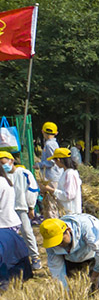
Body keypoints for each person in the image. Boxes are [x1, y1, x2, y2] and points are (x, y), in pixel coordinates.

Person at [40, 215, 99, 290]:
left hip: (94, 251)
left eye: (60, 241)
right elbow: (57, 271)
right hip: (72, 255)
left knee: (97, 283)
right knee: (74, 281)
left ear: (68, 230)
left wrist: (95, 275)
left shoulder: (87, 229)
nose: (58, 245)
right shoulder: (50, 243)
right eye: (54, 243)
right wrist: (65, 293)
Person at [0, 159, 32, 290]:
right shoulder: (5, 180)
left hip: (3, 224)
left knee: (5, 258)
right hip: (10, 222)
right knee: (11, 256)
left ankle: (5, 283)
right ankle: (14, 283)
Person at [5, 153, 39, 269]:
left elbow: (32, 189)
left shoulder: (23, 173)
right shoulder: (3, 176)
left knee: (27, 233)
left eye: (4, 163)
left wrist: (31, 207)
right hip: (8, 209)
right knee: (10, 236)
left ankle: (35, 257)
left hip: (21, 208)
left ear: (11, 160)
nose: (3, 166)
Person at [37, 122, 63, 218]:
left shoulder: (49, 145)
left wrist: (39, 165)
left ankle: (53, 221)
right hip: (54, 176)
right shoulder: (52, 143)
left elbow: (52, 162)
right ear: (56, 132)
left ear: (43, 131)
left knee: (51, 202)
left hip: (52, 176)